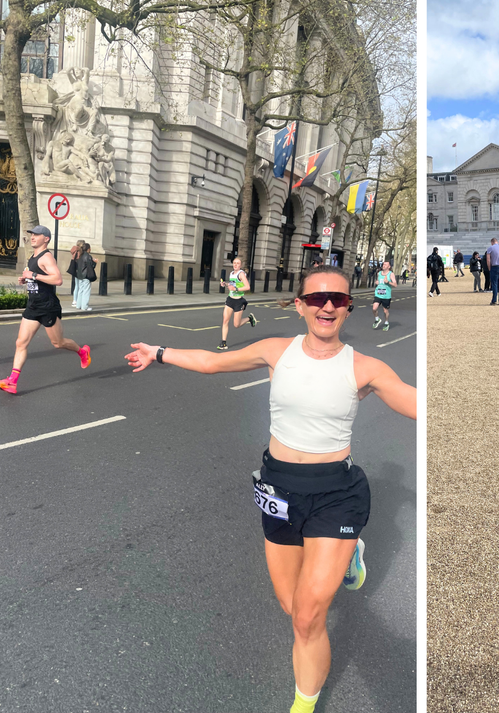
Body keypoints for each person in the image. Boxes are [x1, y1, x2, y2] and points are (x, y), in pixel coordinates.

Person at [125, 265, 416, 713]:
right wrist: (159, 352)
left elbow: (415, 402)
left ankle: (303, 704)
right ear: (300, 305)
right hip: (279, 489)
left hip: (336, 493)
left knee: (307, 617)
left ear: (347, 308)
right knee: (289, 605)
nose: (326, 305)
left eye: (337, 299)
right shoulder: (276, 350)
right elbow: (211, 362)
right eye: (316, 297)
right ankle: (349, 554)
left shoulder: (365, 368)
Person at [1, 226, 91, 394]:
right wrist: (27, 280)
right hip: (33, 306)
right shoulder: (32, 257)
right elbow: (37, 278)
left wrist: (34, 276)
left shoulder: (47, 257)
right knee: (21, 342)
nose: (33, 237)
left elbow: (57, 279)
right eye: (32, 234)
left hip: (47, 306)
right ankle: (12, 381)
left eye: (37, 235)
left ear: (46, 239)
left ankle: (82, 351)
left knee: (58, 343)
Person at [219, 256, 258, 350]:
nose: (235, 265)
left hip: (238, 301)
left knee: (236, 325)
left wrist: (236, 289)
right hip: (230, 300)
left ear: (240, 265)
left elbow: (247, 287)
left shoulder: (241, 274)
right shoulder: (232, 273)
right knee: (225, 321)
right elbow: (233, 285)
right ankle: (223, 343)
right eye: (234, 263)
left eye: (237, 263)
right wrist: (226, 284)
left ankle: (249, 318)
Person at [69, 240, 96, 311]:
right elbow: (90, 266)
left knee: (80, 290)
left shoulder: (80, 255)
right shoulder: (88, 256)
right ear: (88, 249)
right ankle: (85, 306)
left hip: (80, 275)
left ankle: (79, 305)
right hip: (86, 276)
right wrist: (95, 263)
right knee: (86, 291)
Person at [371, 261, 397, 330]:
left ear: (389, 267)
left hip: (386, 296)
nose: (384, 265)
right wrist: (376, 282)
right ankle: (377, 319)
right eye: (383, 264)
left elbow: (395, 284)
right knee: (374, 308)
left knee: (385, 311)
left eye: (386, 265)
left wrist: (388, 282)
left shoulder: (391, 274)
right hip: (378, 294)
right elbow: (378, 281)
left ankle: (386, 323)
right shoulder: (379, 273)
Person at [487, 238, 499, 306]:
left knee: (494, 284)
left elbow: (488, 260)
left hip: (494, 267)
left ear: (492, 242)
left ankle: (494, 300)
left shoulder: (490, 248)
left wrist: (489, 268)